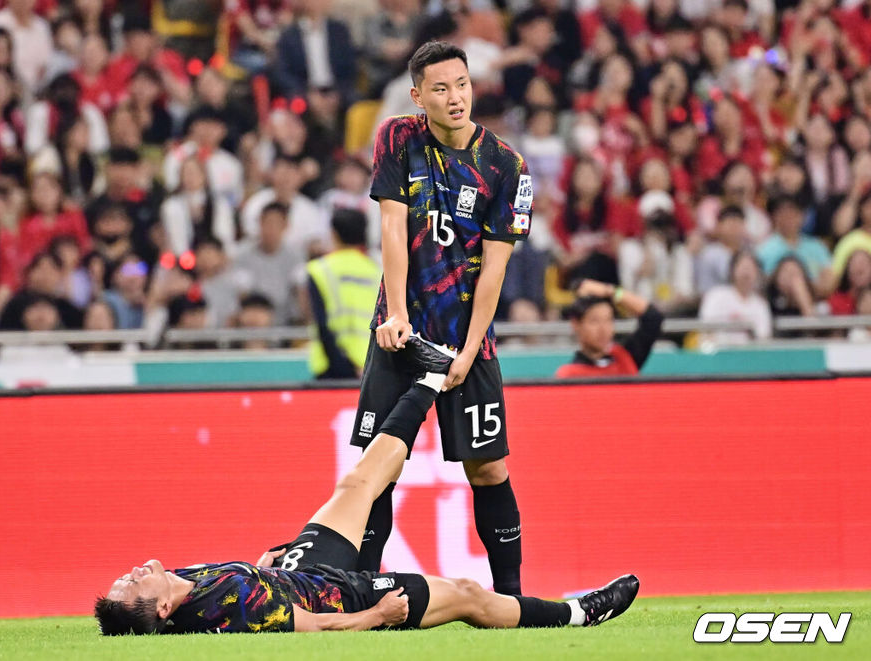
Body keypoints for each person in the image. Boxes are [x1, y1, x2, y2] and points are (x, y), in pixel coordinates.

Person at [95, 340, 639, 634]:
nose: (134, 572)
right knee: (470, 597)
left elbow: (257, 590)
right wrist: (373, 617)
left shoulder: (183, 586)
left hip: (291, 573)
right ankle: (578, 614)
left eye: (123, 578)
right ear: (161, 610)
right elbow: (309, 627)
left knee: (358, 481)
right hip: (334, 593)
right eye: (132, 586)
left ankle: (428, 376)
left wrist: (262, 570)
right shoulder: (223, 611)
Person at [352, 41, 533, 596]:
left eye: (461, 84)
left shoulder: (507, 167)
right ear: (417, 95)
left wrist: (470, 348)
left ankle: (511, 597)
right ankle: (360, 591)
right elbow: (391, 231)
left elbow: (495, 271)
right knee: (376, 470)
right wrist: (398, 315)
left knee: (488, 470)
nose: (454, 97)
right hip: (399, 334)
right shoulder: (397, 138)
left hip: (467, 341)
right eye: (440, 88)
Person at [305, 209, 381, 379]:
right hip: (372, 366)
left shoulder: (319, 270)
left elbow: (322, 324)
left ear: (334, 234)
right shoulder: (377, 271)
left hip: (331, 368)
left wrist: (342, 365)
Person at [555, 280, 665, 378]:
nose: (603, 329)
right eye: (594, 321)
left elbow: (653, 318)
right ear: (575, 324)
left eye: (608, 320)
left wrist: (609, 291)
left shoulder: (624, 357)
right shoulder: (569, 376)